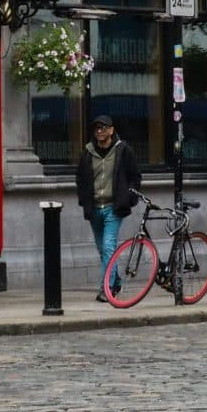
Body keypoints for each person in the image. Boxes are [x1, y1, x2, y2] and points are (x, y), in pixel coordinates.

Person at [75, 115, 141, 303]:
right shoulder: (88, 152)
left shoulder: (123, 150)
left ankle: (107, 288)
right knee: (103, 250)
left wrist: (129, 199)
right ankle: (116, 280)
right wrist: (83, 200)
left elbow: (135, 176)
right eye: (96, 128)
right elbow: (80, 178)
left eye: (102, 128)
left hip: (114, 207)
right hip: (94, 208)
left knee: (109, 246)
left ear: (111, 130)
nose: (99, 131)